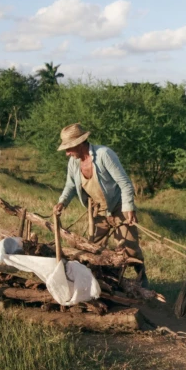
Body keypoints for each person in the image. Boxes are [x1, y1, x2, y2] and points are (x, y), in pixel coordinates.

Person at [52, 123, 148, 287]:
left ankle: (142, 278)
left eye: (69, 148)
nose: (67, 153)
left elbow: (125, 183)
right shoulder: (74, 163)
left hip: (118, 206)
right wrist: (62, 202)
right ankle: (101, 281)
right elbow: (70, 185)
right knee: (93, 248)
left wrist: (128, 208)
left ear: (79, 143)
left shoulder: (104, 154)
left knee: (130, 248)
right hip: (97, 211)